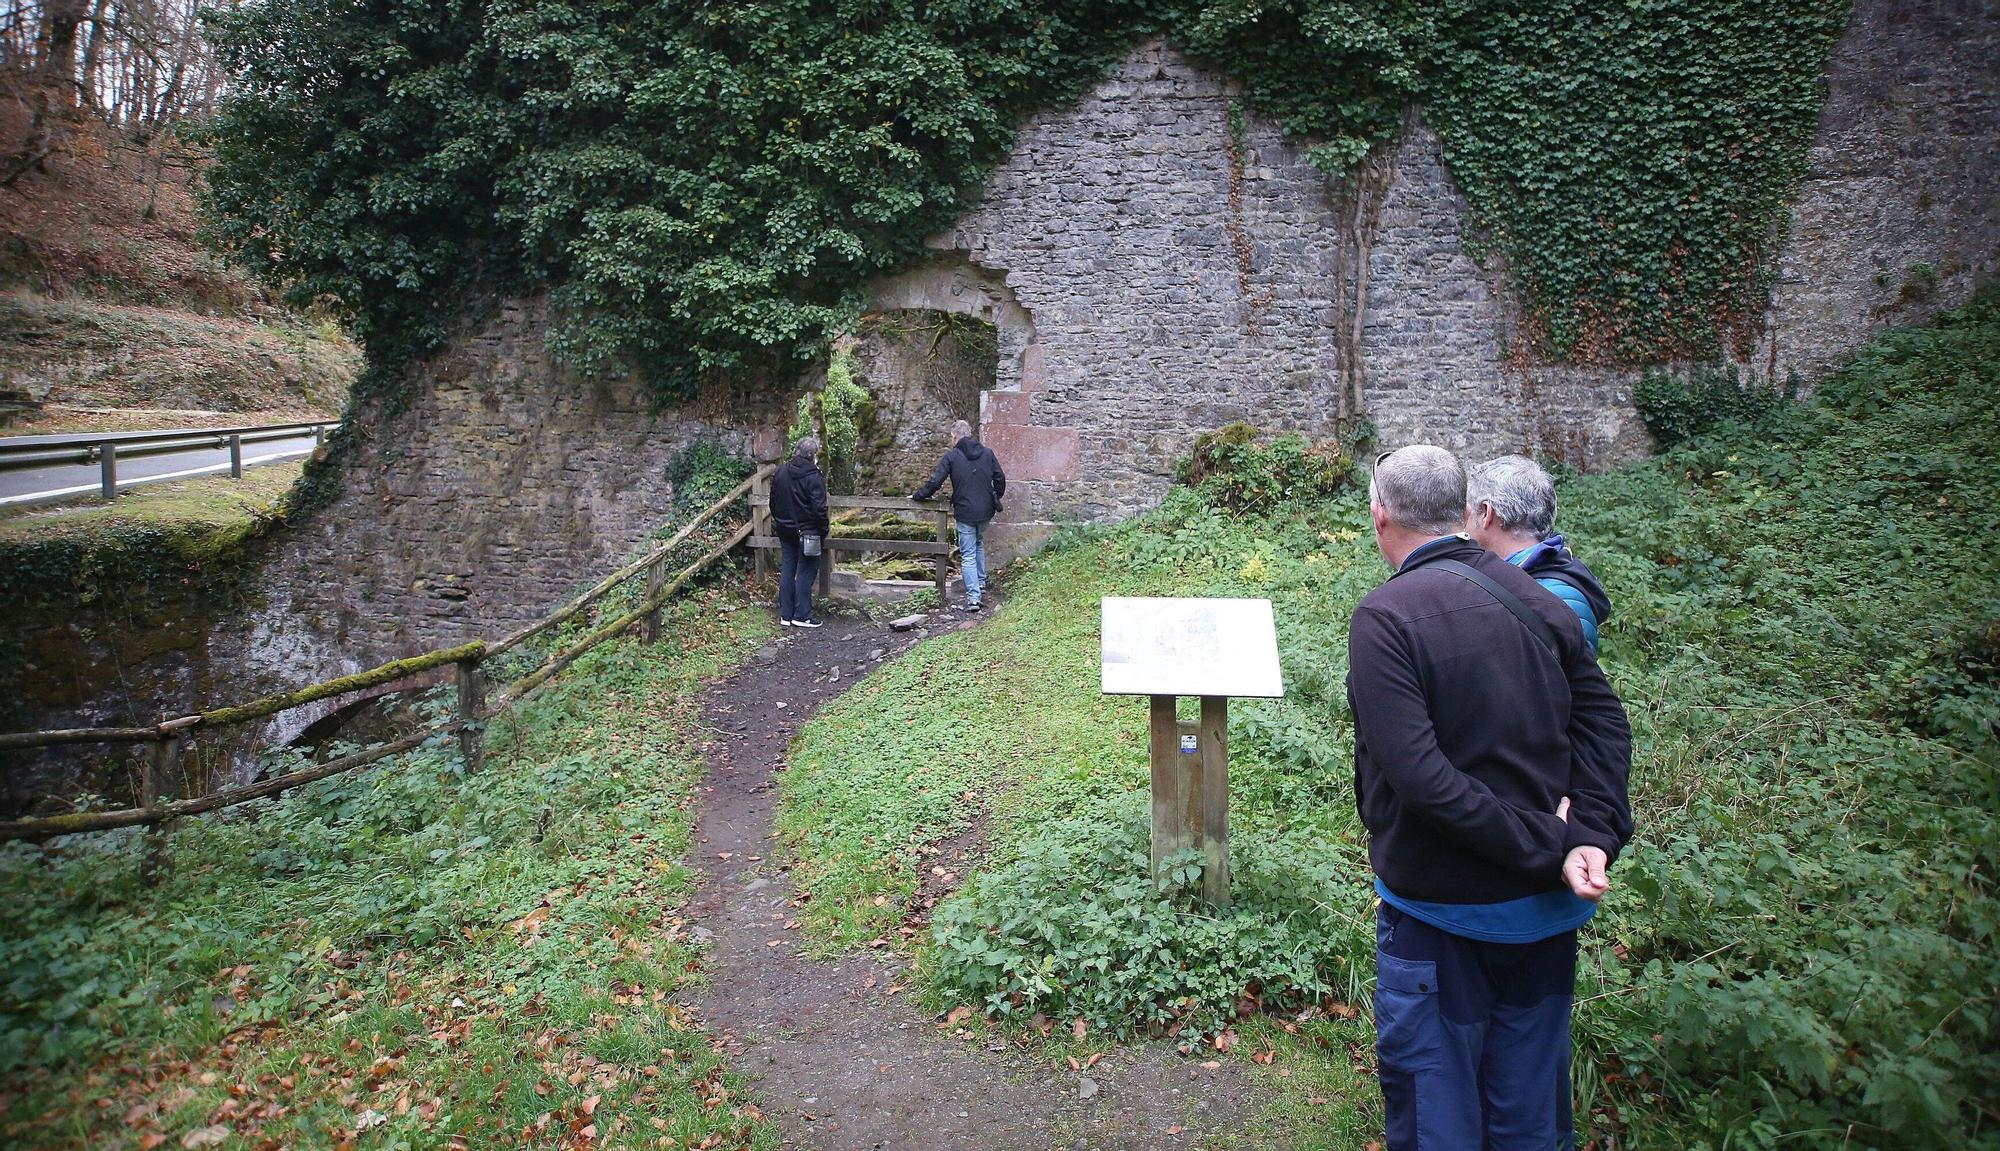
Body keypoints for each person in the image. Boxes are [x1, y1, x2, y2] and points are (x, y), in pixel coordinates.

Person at [1348, 445, 1634, 1150]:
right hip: (1545, 916)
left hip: (1441, 915)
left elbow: (1421, 778)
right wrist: (1590, 833)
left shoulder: (1386, 618)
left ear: (1381, 516)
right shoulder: (1539, 596)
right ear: (1463, 512)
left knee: (1437, 1112)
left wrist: (1559, 840)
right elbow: (1606, 723)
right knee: (1527, 1113)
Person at [1466, 455, 1613, 654]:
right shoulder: (1531, 578)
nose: (1463, 524)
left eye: (1467, 513)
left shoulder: (1554, 598)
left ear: (1486, 513)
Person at [911, 419, 1006, 612]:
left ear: (954, 437)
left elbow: (935, 481)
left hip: (965, 511)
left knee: (968, 554)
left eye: (951, 437)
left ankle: (973, 598)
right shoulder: (987, 453)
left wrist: (918, 496)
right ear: (969, 434)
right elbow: (1000, 478)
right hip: (986, 511)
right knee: (978, 543)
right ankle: (980, 583)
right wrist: (996, 495)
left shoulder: (952, 456)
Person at [769, 436, 829, 629]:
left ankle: (786, 614)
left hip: (785, 529)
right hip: (809, 531)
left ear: (796, 451)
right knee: (806, 571)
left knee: (788, 568)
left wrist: (780, 521)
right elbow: (819, 509)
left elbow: (773, 501)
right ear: (812, 455)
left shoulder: (781, 471)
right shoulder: (814, 476)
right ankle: (802, 615)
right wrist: (823, 529)